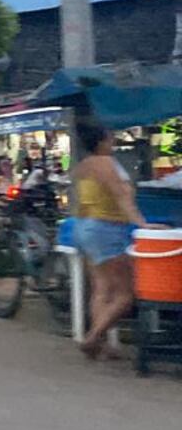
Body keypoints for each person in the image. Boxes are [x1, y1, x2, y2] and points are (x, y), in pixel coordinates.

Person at [72, 123, 161, 359]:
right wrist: (143, 224)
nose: (113, 140)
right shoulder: (106, 164)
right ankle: (93, 337)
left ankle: (98, 342)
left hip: (85, 228)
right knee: (125, 294)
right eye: (110, 136)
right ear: (102, 140)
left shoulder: (83, 166)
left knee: (101, 288)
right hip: (107, 229)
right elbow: (121, 196)